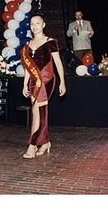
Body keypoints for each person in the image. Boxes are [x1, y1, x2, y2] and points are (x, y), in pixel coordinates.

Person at [21, 13, 66, 159]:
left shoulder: (50, 42)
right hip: (33, 82)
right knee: (40, 112)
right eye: (32, 24)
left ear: (43, 24)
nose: (34, 26)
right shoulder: (27, 45)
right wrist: (24, 85)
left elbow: (58, 63)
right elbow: (29, 68)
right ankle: (45, 142)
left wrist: (62, 82)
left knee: (36, 111)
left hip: (46, 80)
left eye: (37, 23)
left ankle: (32, 145)